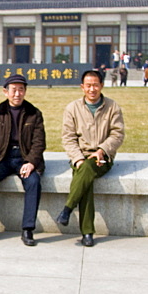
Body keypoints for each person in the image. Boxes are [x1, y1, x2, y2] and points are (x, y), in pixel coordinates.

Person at [56, 69, 125, 247]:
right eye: (88, 85)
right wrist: (77, 158)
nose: (92, 89)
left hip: (102, 157)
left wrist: (102, 150)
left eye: (95, 85)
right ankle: (87, 233)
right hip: (81, 156)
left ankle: (67, 209)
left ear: (102, 85)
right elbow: (68, 137)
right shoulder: (73, 108)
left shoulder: (112, 107)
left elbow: (117, 134)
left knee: (86, 172)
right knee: (85, 175)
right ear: (82, 87)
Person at [0, 74, 46, 246]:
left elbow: (39, 142)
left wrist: (31, 162)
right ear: (5, 92)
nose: (17, 94)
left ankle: (28, 229)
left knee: (33, 182)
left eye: (21, 90)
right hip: (3, 158)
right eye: (13, 90)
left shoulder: (34, 113)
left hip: (24, 158)